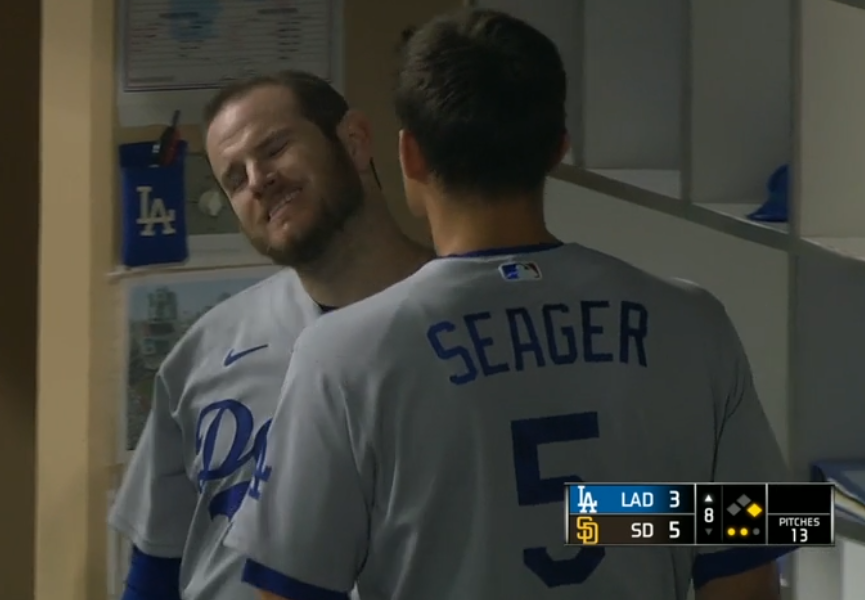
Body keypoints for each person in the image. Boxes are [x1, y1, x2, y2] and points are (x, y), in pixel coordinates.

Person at [225, 9, 794, 600]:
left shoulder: (340, 357)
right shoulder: (696, 323)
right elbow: (749, 570)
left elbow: (287, 591)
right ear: (558, 150)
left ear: (410, 155)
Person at [107, 70, 432, 600]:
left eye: (275, 148)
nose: (258, 181)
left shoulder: (480, 318)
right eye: (235, 180)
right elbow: (155, 570)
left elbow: (589, 513)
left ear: (354, 141)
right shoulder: (205, 351)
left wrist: (569, 543)